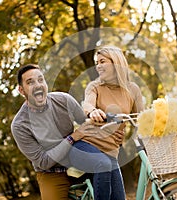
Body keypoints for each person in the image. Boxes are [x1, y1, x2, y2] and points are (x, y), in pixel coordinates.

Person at [11, 64, 124, 200]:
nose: (37, 85)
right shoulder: (19, 125)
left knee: (108, 162)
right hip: (51, 172)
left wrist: (107, 128)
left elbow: (85, 121)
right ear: (21, 90)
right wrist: (73, 137)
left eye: (41, 80)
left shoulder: (63, 99)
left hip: (76, 156)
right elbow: (43, 161)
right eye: (30, 82)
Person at [69, 45, 144, 200]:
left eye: (102, 61)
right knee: (102, 164)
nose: (98, 66)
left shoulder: (132, 90)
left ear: (116, 62)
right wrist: (93, 111)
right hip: (86, 144)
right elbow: (87, 104)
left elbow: (142, 117)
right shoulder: (95, 86)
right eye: (97, 62)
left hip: (110, 151)